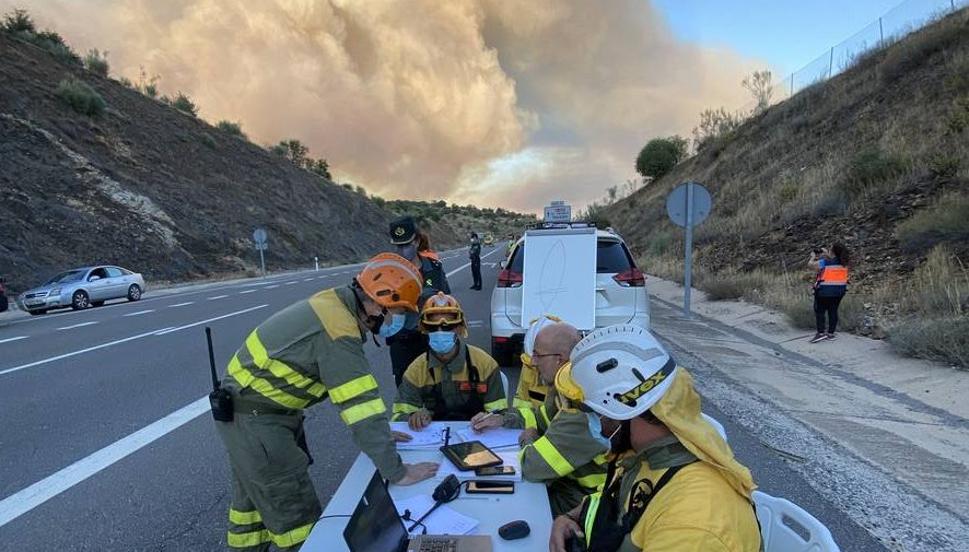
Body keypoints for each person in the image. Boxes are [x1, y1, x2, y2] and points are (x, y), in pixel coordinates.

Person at [215, 253, 439, 552]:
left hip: (251, 415)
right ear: (377, 303)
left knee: (252, 511)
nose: (400, 322)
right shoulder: (339, 329)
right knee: (296, 516)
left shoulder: (335, 304)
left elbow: (347, 399)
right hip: (259, 422)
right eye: (398, 312)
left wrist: (381, 435)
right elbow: (361, 407)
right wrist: (398, 471)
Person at [549, 324, 762, 552]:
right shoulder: (647, 456)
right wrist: (569, 519)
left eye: (592, 412)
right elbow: (618, 501)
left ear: (623, 411)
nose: (592, 422)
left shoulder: (692, 524)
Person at [472, 322, 609, 517]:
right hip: (569, 484)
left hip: (589, 499)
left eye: (538, 355)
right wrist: (502, 419)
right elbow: (540, 418)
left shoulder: (581, 405)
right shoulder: (566, 388)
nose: (533, 362)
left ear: (559, 359)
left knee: (513, 510)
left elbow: (533, 467)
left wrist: (528, 439)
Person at [392, 293, 506, 426]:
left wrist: (493, 419)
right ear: (425, 330)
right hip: (433, 440)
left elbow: (501, 414)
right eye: (433, 327)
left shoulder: (485, 364)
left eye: (447, 327)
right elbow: (397, 419)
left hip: (478, 436)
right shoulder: (416, 371)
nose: (440, 331)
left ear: (459, 328)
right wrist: (412, 417)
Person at [387, 216, 451, 386]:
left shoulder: (433, 268)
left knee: (436, 388)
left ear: (416, 242)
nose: (402, 252)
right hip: (402, 342)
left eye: (406, 245)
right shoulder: (388, 272)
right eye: (398, 246)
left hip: (431, 339)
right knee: (406, 391)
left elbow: (447, 300)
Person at [510, 314, 560, 410]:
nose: (533, 363)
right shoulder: (529, 366)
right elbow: (521, 404)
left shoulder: (573, 376)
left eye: (539, 357)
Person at [808, 242, 850, 343]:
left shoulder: (825, 262)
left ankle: (820, 333)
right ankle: (831, 333)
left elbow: (811, 266)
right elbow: (834, 262)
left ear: (833, 251)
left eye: (830, 248)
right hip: (839, 291)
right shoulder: (844, 263)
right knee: (833, 311)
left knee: (820, 311)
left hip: (824, 291)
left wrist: (813, 257)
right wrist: (827, 254)